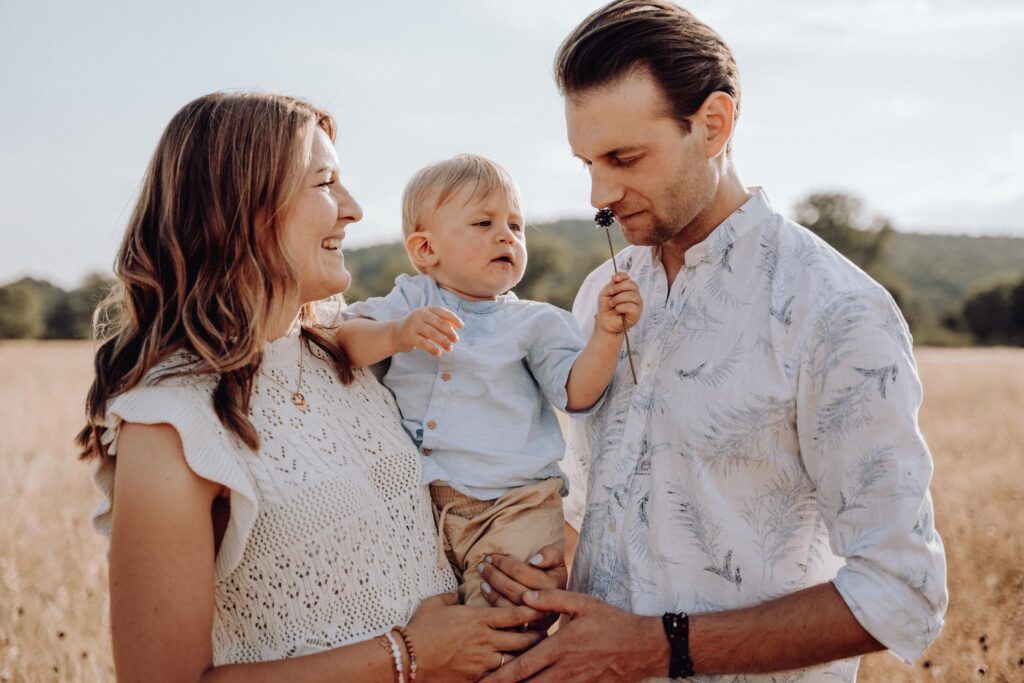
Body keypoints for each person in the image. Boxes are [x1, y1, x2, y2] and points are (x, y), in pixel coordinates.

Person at [478, 1, 948, 681]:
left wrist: (652, 645)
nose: (599, 193)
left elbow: (903, 595)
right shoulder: (596, 295)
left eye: (624, 157)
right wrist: (545, 565)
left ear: (714, 124)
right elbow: (591, 504)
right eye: (586, 161)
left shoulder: (835, 312)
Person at [76, 92, 552, 682]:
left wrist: (525, 560)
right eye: (326, 183)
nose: (352, 210)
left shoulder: (351, 352)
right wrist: (410, 654)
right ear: (242, 208)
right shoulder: (172, 421)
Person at [336, 154, 642, 606]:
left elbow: (577, 391)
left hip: (515, 506)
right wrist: (396, 334)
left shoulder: (535, 323)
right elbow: (345, 341)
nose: (506, 235)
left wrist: (607, 335)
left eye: (516, 227)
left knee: (505, 615)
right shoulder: (409, 300)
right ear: (425, 250)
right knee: (428, 614)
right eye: (483, 223)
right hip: (426, 504)